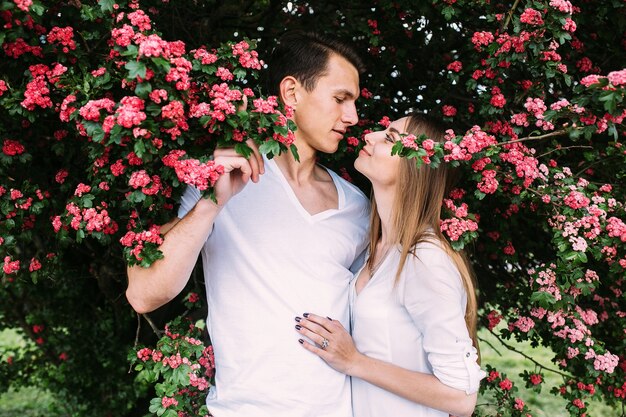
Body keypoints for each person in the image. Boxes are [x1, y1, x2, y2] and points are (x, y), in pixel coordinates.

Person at [125, 31, 370, 417]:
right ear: (291, 92)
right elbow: (144, 294)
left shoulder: (356, 205)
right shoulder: (221, 179)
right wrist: (212, 203)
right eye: (341, 99)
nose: (352, 117)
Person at [295, 114, 486, 417]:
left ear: (416, 168)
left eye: (390, 138)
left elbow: (461, 397)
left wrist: (354, 362)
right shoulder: (379, 250)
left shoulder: (425, 259)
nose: (370, 136)